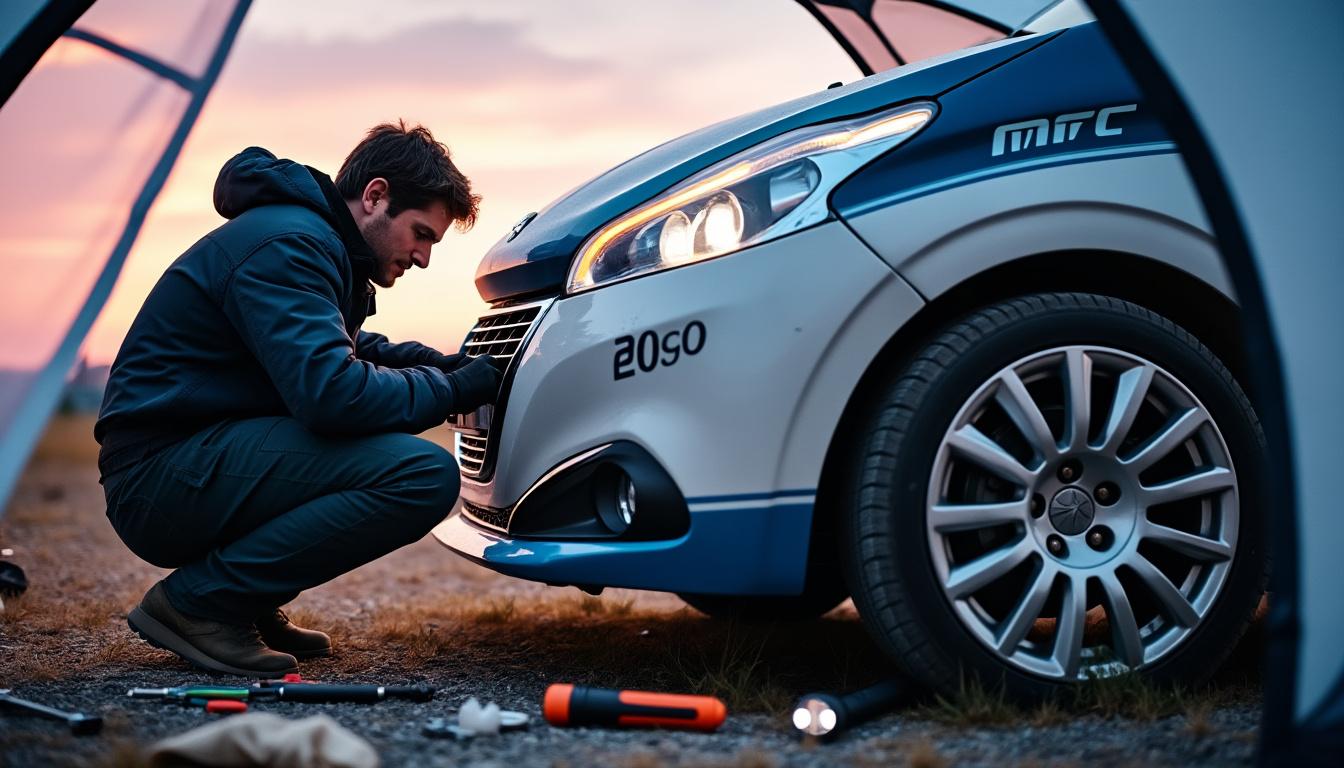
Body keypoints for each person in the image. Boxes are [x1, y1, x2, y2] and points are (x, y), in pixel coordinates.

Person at [95, 121, 500, 676]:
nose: (423, 256)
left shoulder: (311, 240)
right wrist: (451, 389)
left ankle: (249, 598)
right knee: (421, 475)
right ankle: (204, 603)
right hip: (161, 476)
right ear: (376, 197)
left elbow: (351, 347)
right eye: (422, 233)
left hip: (188, 457)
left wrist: (439, 364)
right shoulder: (292, 244)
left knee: (385, 455)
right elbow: (333, 393)